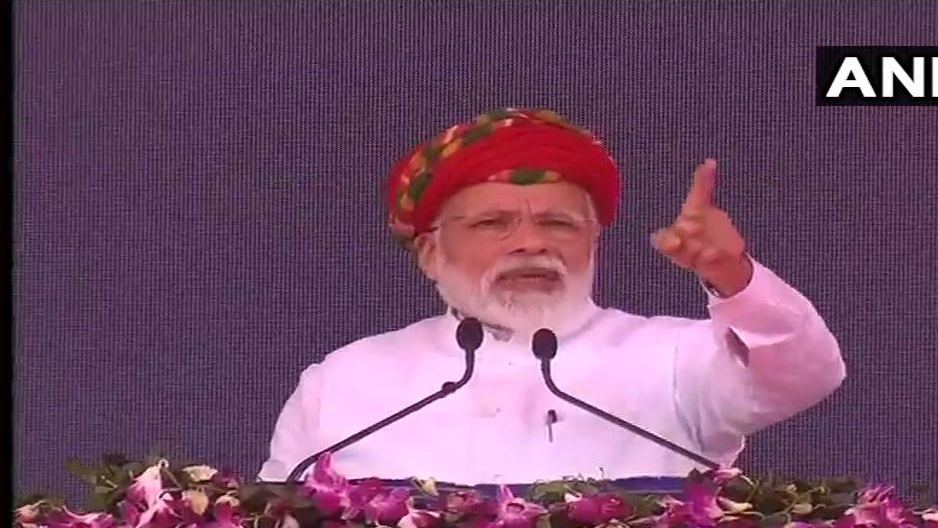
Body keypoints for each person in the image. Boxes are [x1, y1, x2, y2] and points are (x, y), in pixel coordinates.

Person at [257, 108, 846, 484]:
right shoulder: (346, 381)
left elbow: (805, 373)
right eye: (492, 224)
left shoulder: (673, 358)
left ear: (594, 242)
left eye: (558, 224)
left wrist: (732, 276)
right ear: (430, 253)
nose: (530, 243)